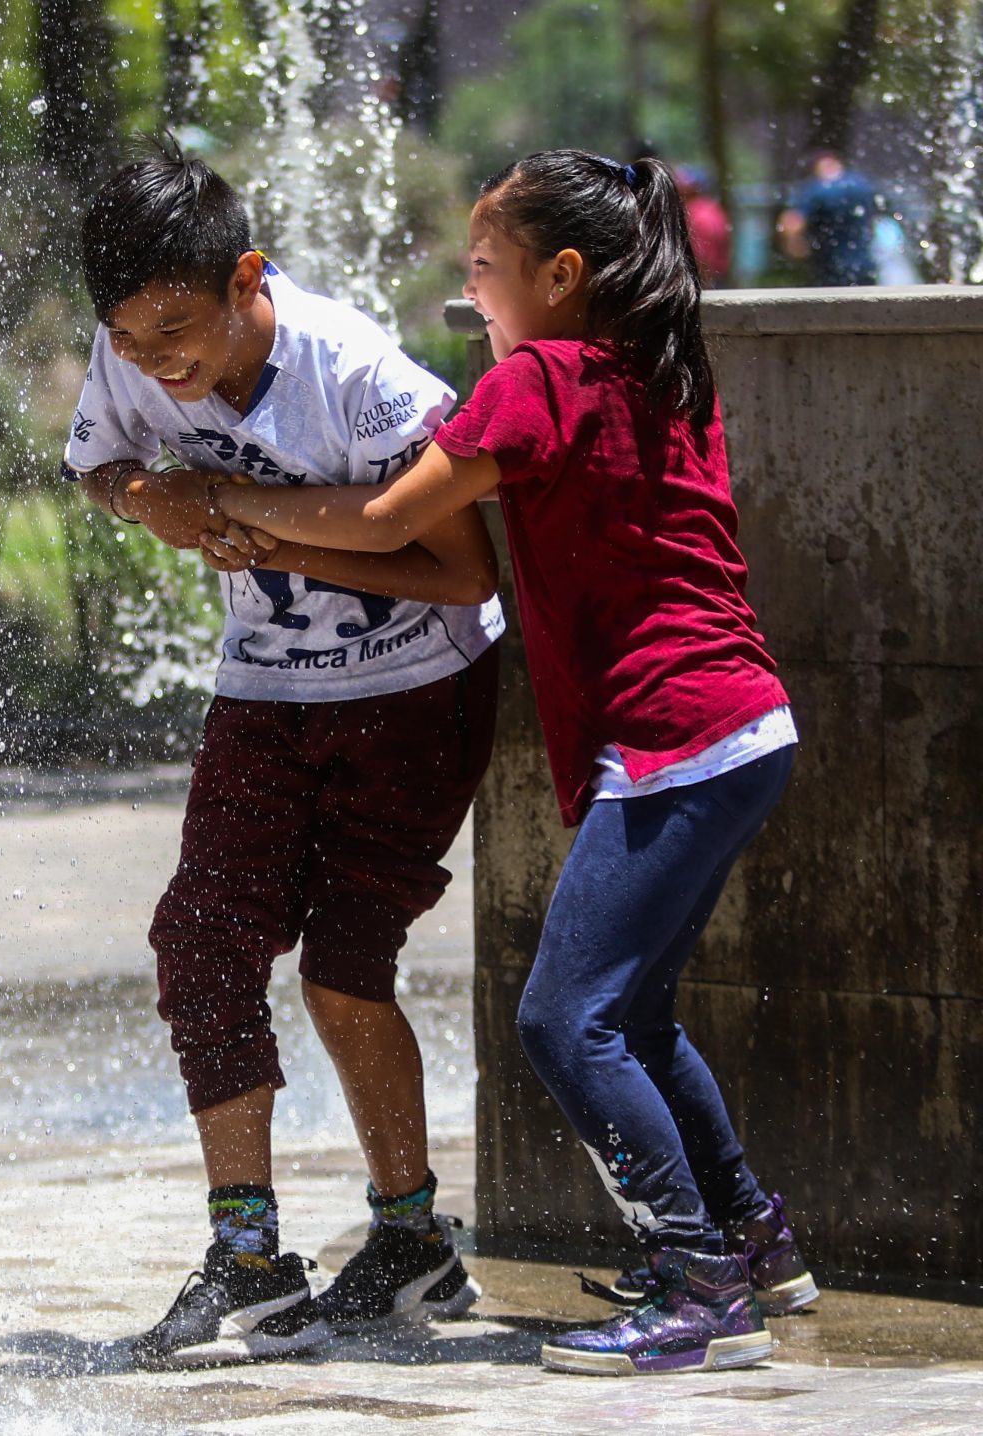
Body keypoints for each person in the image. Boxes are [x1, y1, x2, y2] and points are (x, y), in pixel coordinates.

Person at [213, 149, 820, 1376]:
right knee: (632, 1011)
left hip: (676, 734)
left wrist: (240, 506)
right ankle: (753, 1238)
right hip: (743, 726)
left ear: (562, 273)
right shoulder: (654, 367)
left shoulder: (537, 379)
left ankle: (701, 1282)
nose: (471, 293)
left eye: (485, 271)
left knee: (564, 1017)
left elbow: (390, 516)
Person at [61, 135, 506, 1364]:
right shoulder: (129, 350)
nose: (158, 367)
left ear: (248, 277)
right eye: (131, 340)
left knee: (343, 970)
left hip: (417, 691)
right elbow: (99, 466)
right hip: (266, 689)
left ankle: (413, 1240)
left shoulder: (356, 376)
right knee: (200, 936)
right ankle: (248, 1256)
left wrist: (256, 524)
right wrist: (152, 499)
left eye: (177, 333)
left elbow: (465, 571)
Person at [778, 150, 877, 286]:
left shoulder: (817, 189)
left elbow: (792, 221)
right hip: (864, 265)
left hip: (831, 266)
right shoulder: (861, 185)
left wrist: (794, 246)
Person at [673, 166, 731, 286]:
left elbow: (701, 254)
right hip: (719, 277)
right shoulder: (713, 208)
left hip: (705, 280)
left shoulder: (694, 213)